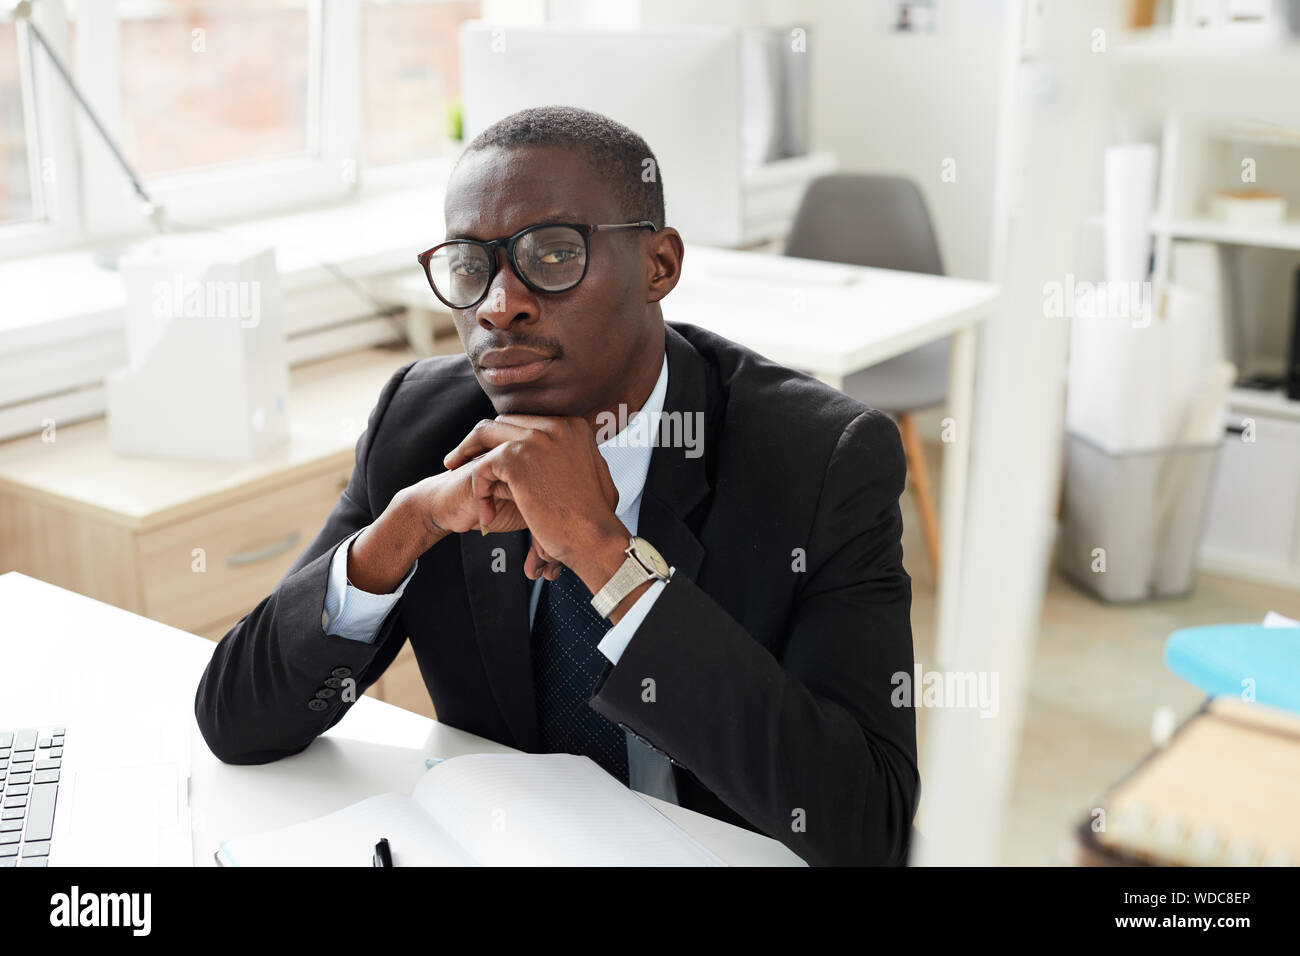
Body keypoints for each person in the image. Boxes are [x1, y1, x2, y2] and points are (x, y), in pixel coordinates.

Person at [195, 105, 919, 866]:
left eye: (550, 254)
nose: (499, 305)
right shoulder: (423, 423)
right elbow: (236, 722)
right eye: (472, 267)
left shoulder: (822, 460)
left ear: (658, 266)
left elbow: (867, 826)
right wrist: (403, 529)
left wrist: (606, 556)